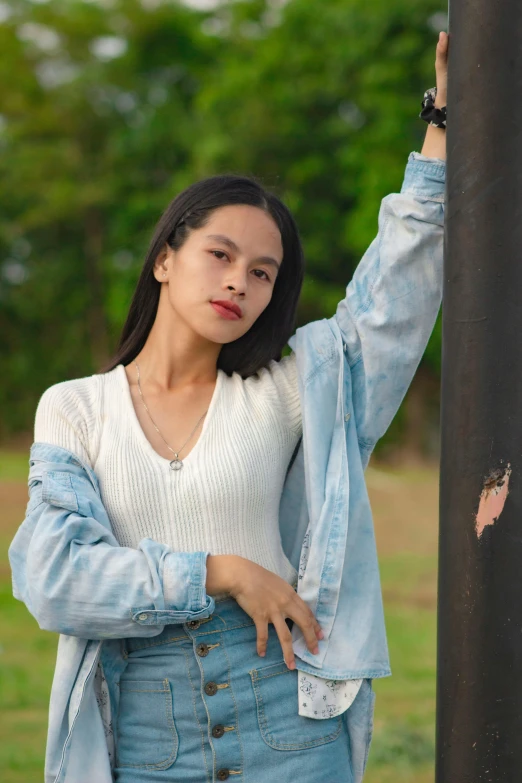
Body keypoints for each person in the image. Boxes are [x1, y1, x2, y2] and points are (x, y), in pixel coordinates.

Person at [9, 32, 448, 783]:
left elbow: (391, 305)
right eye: (220, 254)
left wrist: (441, 124)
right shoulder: (77, 410)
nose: (240, 281)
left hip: (285, 720)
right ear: (165, 257)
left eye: (264, 272)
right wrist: (218, 571)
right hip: (144, 734)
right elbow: (55, 579)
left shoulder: (286, 391)